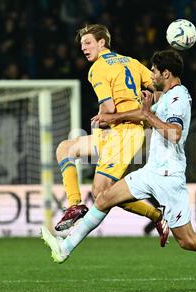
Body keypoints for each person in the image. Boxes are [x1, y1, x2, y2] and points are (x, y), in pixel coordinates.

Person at [41, 50, 196, 292]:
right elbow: (142, 115)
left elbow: (174, 134)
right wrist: (112, 118)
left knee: (187, 240)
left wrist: (147, 113)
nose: (152, 75)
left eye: (155, 71)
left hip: (168, 177)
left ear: (166, 73)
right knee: (103, 198)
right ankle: (65, 249)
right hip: (151, 172)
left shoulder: (178, 98)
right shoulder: (166, 96)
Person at [54, 24, 169, 246]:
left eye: (88, 43)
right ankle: (75, 205)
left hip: (125, 132)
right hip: (123, 131)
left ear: (101, 43)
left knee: (101, 192)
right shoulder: (130, 61)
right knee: (66, 148)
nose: (84, 48)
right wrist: (152, 102)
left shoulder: (97, 69)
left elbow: (109, 108)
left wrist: (101, 116)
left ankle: (156, 215)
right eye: (81, 45)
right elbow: (160, 85)